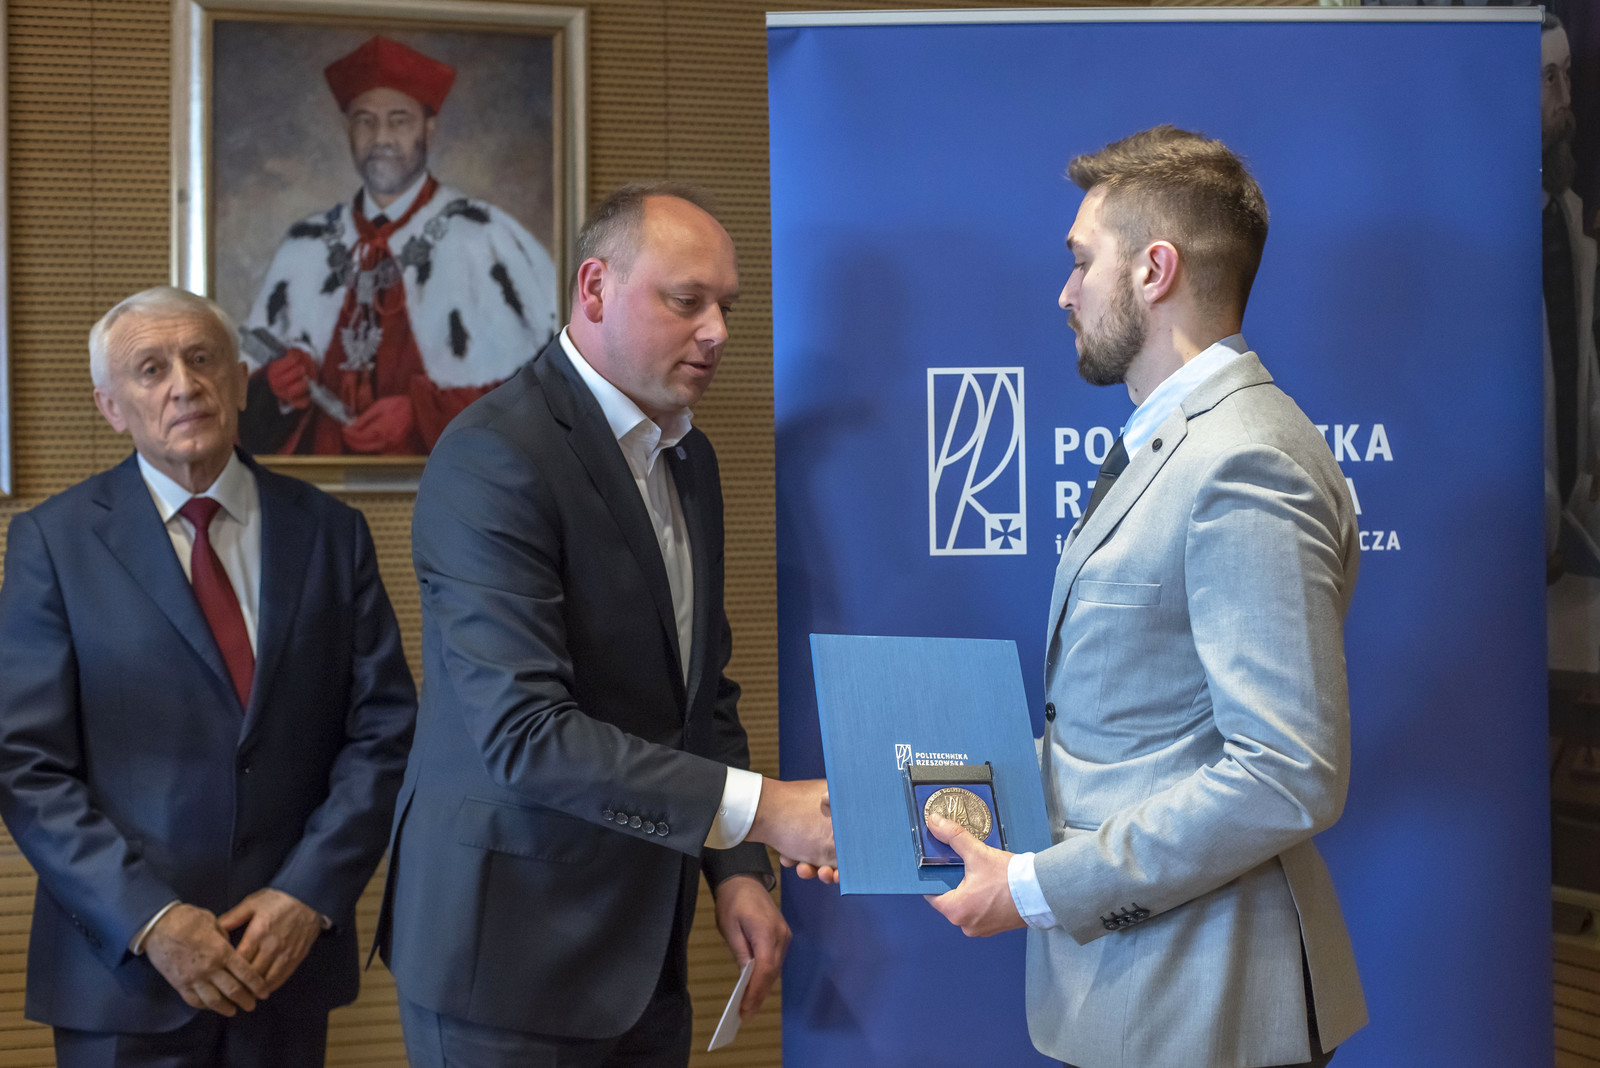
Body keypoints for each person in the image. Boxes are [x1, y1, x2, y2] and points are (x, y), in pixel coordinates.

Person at [920, 127, 1368, 1067]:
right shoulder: (1182, 441)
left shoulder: (1243, 459)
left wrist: (1037, 889)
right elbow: (1130, 732)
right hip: (1154, 1001)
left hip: (1205, 1010)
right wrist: (896, 803)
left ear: (1155, 270)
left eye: (1083, 260)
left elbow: (1286, 773)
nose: (1066, 292)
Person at [375, 182, 835, 1067]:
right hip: (506, 964)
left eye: (727, 307)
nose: (717, 332)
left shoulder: (689, 457)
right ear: (594, 289)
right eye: (686, 301)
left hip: (645, 956)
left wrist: (737, 868)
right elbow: (527, 736)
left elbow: (699, 692)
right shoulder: (493, 457)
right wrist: (765, 811)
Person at [0, 286, 417, 1066]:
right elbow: (26, 765)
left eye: (201, 359)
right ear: (111, 407)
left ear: (240, 380)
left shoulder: (332, 534)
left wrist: (307, 894)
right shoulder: (52, 544)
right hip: (121, 981)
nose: (184, 385)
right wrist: (151, 920)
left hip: (284, 964)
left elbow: (385, 733)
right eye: (150, 369)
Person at [239, 35, 560, 457]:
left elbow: (542, 398)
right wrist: (275, 389)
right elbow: (244, 420)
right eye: (365, 121)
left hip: (448, 482)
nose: (381, 138)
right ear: (347, 130)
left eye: (399, 121)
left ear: (429, 129)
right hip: (320, 484)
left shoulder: (486, 237)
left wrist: (420, 414)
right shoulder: (305, 245)